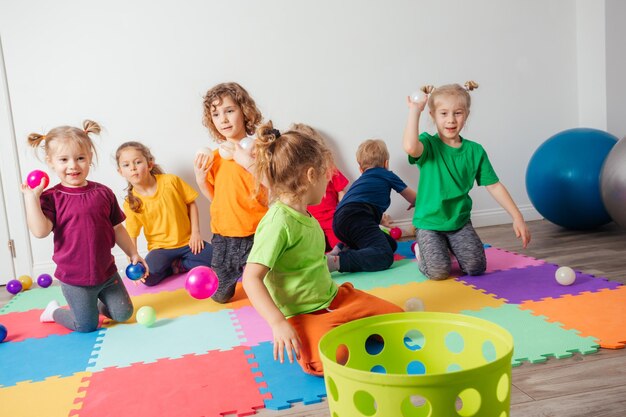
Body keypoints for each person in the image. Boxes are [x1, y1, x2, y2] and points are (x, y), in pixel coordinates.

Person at [242, 122, 403, 376]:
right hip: (303, 316)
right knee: (334, 358)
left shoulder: (305, 213)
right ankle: (341, 332)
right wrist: (277, 323)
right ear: (310, 176)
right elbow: (251, 278)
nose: (329, 182)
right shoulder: (278, 222)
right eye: (325, 175)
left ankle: (346, 326)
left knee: (398, 319)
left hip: (336, 299)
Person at [21, 120, 147, 332]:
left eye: (80, 158)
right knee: (86, 326)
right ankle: (53, 311)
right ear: (51, 161)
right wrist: (32, 199)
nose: (73, 166)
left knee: (124, 313)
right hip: (74, 279)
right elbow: (40, 231)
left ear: (89, 158)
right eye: (64, 159)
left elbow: (117, 228)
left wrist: (133, 253)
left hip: (106, 273)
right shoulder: (52, 197)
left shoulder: (103, 193)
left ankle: (92, 305)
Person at [402, 81, 531, 280]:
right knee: (438, 272)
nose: (451, 120)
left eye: (458, 113)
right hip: (429, 222)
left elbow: (494, 185)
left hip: (459, 221)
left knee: (476, 267)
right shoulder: (428, 144)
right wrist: (415, 111)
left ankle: (448, 247)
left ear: (466, 115)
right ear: (433, 115)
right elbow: (411, 147)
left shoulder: (475, 151)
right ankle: (423, 250)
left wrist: (517, 217)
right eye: (443, 113)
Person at [194, 82, 268, 303]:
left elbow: (275, 186)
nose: (223, 119)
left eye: (229, 111)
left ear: (244, 111)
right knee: (220, 296)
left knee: (272, 292)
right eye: (216, 114)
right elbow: (216, 199)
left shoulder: (261, 150)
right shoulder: (215, 157)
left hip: (259, 233)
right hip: (225, 236)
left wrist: (247, 162)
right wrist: (200, 179)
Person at [116, 141, 213, 286]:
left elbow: (191, 203)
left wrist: (195, 233)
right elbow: (132, 235)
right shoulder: (131, 203)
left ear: (149, 164)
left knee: (217, 259)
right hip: (160, 249)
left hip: (188, 243)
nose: (133, 168)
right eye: (126, 165)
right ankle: (170, 267)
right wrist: (133, 258)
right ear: (121, 172)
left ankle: (180, 265)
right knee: (147, 278)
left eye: (137, 162)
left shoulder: (171, 181)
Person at [329, 139, 417, 273]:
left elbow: (359, 204)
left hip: (338, 222)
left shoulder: (360, 181)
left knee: (390, 244)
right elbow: (414, 198)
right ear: (386, 164)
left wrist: (381, 220)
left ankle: (342, 247)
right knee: (384, 256)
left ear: (361, 169)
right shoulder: (387, 174)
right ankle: (338, 262)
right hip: (357, 217)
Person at [291, 123, 350, 252]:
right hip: (308, 221)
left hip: (331, 219)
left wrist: (344, 212)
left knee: (341, 245)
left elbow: (341, 192)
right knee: (309, 249)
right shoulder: (295, 174)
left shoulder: (328, 166)